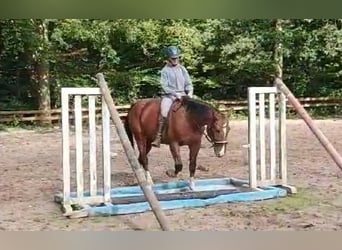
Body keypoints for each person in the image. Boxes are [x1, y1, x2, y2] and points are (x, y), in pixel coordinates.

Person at [151, 45, 194, 148]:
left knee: (197, 109)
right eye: (173, 58)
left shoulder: (182, 69)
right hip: (169, 96)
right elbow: (164, 86)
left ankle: (195, 133)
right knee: (164, 112)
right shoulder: (165, 70)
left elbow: (188, 82)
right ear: (168, 58)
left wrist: (190, 92)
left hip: (184, 95)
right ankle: (159, 136)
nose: (175, 60)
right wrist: (175, 94)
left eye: (177, 58)